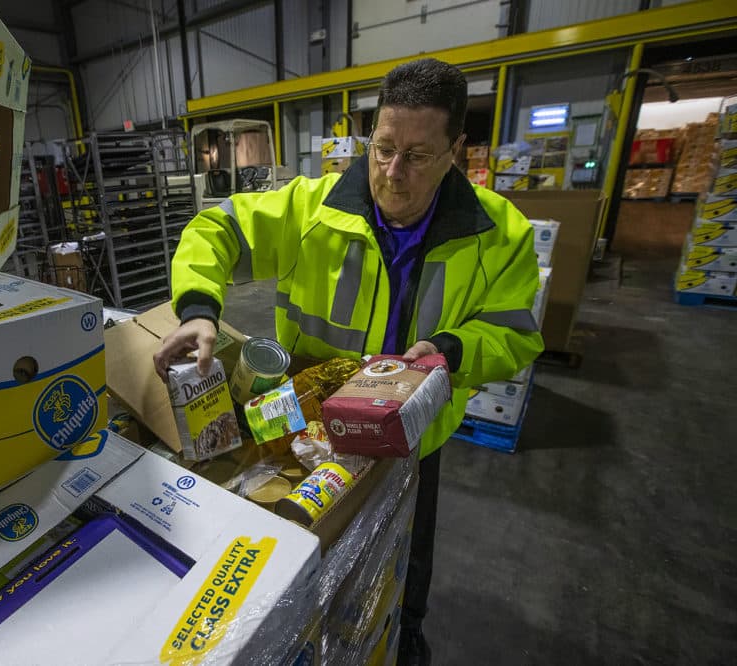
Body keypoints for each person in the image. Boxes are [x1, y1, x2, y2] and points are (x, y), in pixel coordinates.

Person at [153, 58, 543, 665]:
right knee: (295, 545)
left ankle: (398, 636)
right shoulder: (311, 211)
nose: (392, 173)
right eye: (383, 148)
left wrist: (453, 350)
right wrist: (199, 309)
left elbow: (514, 334)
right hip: (302, 422)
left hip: (410, 440)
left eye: (417, 156)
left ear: (455, 151)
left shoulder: (500, 236)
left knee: (403, 557)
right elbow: (215, 229)